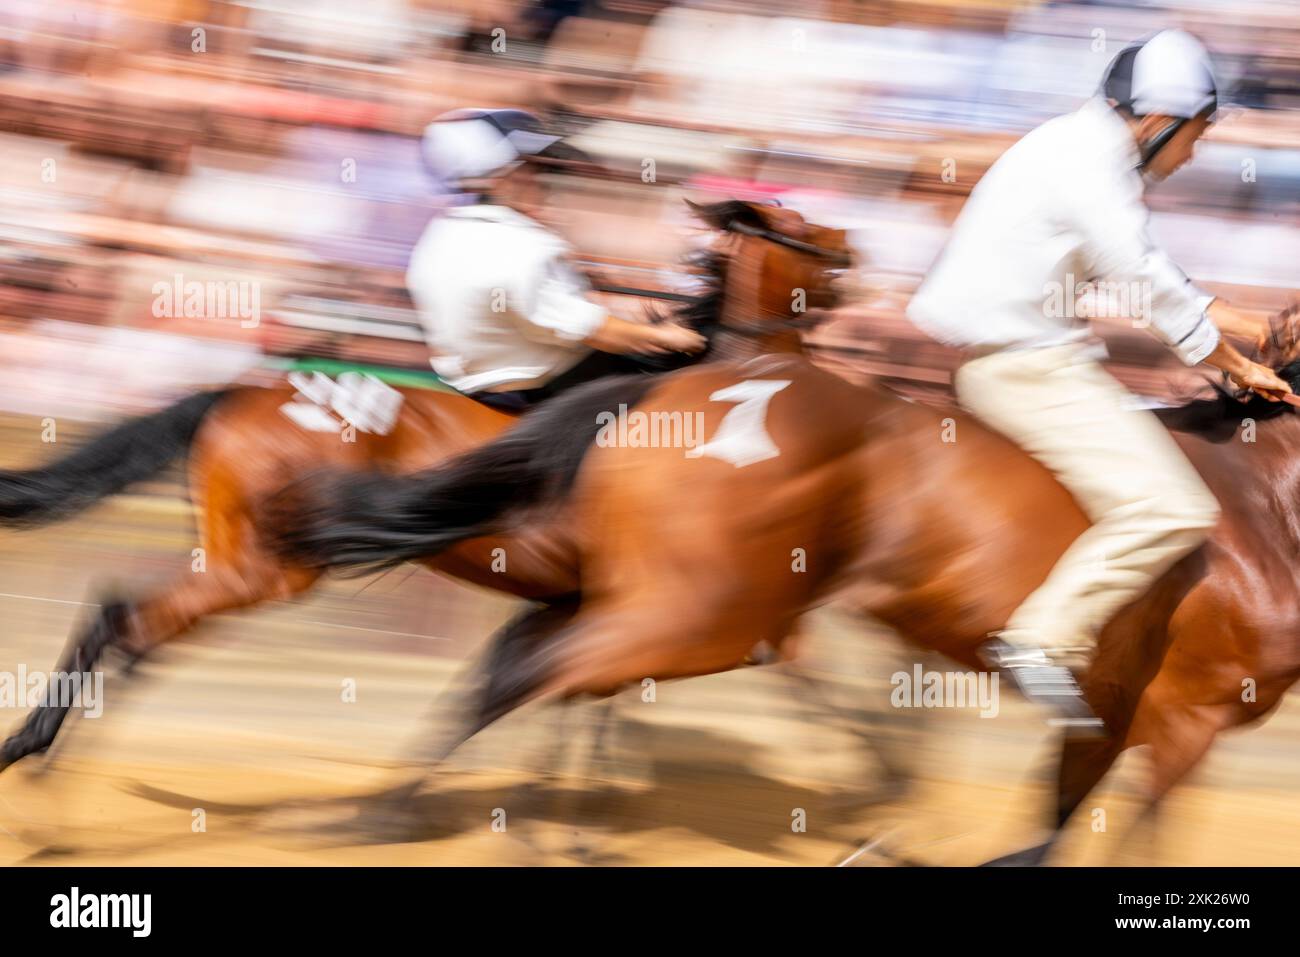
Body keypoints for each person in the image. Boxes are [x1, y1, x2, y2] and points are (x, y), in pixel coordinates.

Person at [906, 29, 1292, 732]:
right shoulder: (1091, 168)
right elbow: (1143, 283)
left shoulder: (1077, 146)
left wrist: (1240, 326)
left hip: (1027, 357)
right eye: (1196, 137)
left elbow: (1146, 270)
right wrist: (1234, 364)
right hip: (1025, 368)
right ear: (1157, 123)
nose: (1194, 153)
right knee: (1173, 507)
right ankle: (1040, 638)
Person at [409, 109, 704, 411]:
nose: (543, 177)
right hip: (555, 391)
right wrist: (666, 336)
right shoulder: (519, 245)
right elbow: (591, 330)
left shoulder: (441, 236)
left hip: (479, 387)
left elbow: (542, 309)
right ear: (496, 178)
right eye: (531, 167)